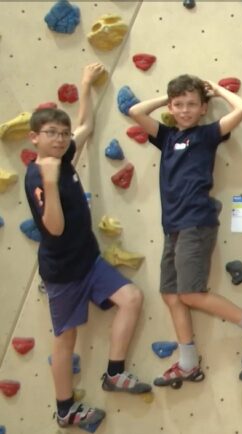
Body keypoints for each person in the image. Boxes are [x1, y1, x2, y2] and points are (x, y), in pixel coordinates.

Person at [24, 62, 151, 430]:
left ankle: (114, 373)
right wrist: (49, 182)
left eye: (62, 133)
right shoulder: (38, 175)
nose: (61, 138)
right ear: (34, 137)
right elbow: (55, 228)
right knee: (66, 339)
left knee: (130, 298)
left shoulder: (63, 158)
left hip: (89, 261)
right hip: (63, 273)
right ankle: (65, 411)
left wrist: (84, 86)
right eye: (51, 133)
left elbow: (87, 126)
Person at [127, 74, 242, 386]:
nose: (185, 110)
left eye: (192, 104)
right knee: (171, 295)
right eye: (179, 104)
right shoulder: (167, 136)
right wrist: (166, 98)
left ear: (202, 108)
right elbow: (135, 112)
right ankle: (188, 363)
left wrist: (216, 90)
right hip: (172, 225)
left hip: (195, 221)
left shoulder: (207, 134)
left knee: (191, 294)